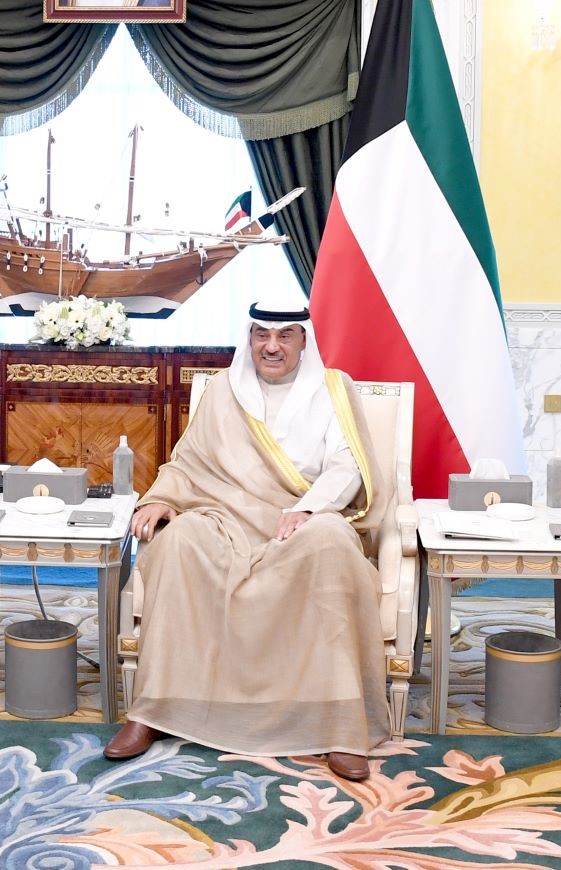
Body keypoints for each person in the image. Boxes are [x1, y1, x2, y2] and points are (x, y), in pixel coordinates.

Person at [103, 302, 390, 781]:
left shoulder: (334, 389)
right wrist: (163, 497)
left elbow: (347, 466)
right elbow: (189, 461)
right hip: (227, 520)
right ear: (249, 337)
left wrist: (307, 509)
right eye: (262, 334)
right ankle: (154, 710)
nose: (271, 347)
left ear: (304, 340)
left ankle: (341, 726)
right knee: (179, 540)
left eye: (285, 335)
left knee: (332, 544)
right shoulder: (223, 390)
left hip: (302, 520)